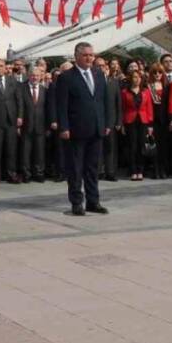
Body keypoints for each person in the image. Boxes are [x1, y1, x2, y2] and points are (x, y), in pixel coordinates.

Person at [55, 42, 110, 216]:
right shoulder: (66, 77)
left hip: (96, 129)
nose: (89, 58)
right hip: (75, 130)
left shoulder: (99, 74)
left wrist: (107, 123)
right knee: (76, 169)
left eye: (91, 55)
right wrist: (64, 127)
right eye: (85, 55)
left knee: (93, 168)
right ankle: (77, 202)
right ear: (77, 56)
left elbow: (104, 101)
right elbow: (61, 105)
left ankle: (93, 202)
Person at [120, 69, 154, 181]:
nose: (137, 79)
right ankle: (133, 171)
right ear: (131, 78)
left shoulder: (146, 91)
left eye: (139, 77)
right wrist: (123, 124)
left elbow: (149, 108)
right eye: (134, 77)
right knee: (132, 147)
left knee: (141, 146)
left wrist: (150, 125)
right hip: (130, 121)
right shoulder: (125, 92)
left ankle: (140, 170)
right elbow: (123, 109)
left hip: (143, 121)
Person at [20, 67, 50, 182]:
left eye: (37, 75)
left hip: (40, 126)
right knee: (25, 152)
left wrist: (47, 126)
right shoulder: (22, 89)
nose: (35, 77)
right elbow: (20, 107)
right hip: (26, 126)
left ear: (40, 76)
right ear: (28, 76)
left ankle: (39, 173)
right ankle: (26, 174)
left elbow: (47, 109)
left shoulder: (44, 90)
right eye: (32, 75)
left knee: (39, 152)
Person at [147, 64, 171, 179]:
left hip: (166, 120)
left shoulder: (167, 86)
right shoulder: (148, 87)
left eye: (160, 72)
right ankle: (156, 170)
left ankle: (164, 169)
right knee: (154, 147)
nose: (157, 74)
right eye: (155, 72)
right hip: (153, 120)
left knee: (165, 147)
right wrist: (149, 123)